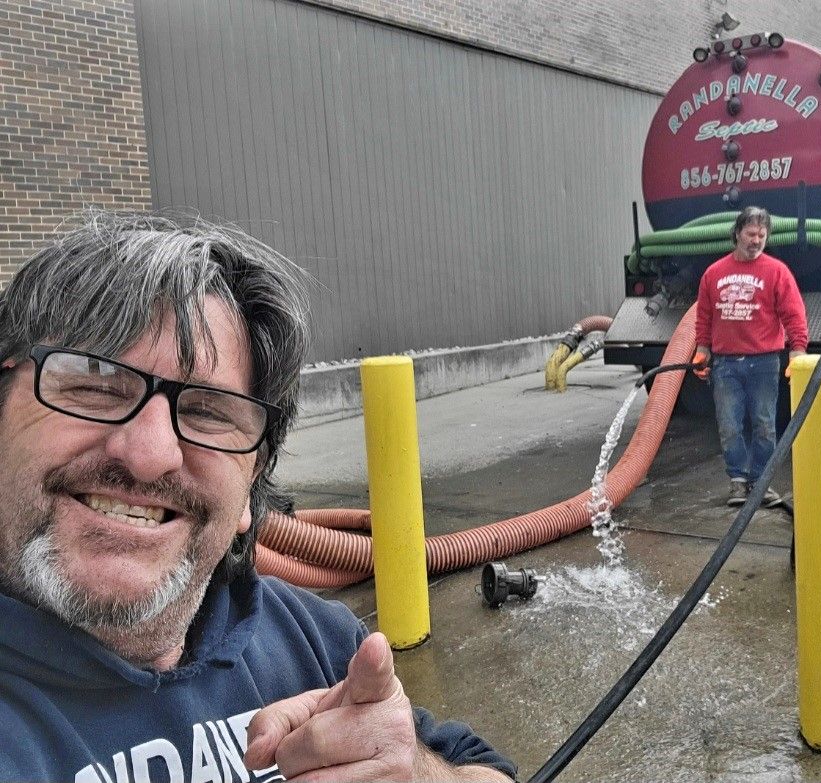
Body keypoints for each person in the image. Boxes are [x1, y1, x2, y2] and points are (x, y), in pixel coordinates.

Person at [0, 211, 516, 782]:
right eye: (95, 383)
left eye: (205, 411)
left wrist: (418, 773)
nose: (147, 454)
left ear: (252, 484)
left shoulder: (318, 642)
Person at [693, 206, 808, 508]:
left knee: (764, 424)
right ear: (737, 234)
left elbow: (793, 313)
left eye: (762, 234)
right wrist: (702, 349)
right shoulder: (714, 273)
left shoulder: (777, 271)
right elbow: (704, 316)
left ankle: (762, 482)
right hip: (726, 364)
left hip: (765, 361)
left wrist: (797, 349)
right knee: (729, 425)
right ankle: (738, 482)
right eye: (750, 233)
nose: (756, 240)